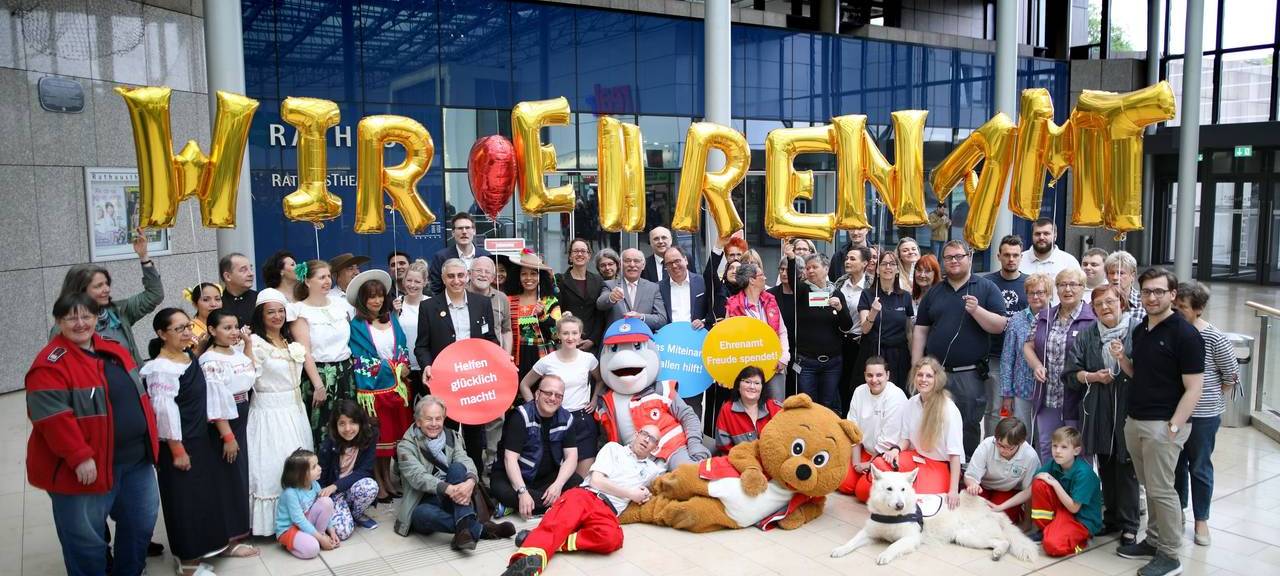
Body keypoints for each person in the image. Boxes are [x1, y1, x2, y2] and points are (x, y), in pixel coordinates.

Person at [27, 292, 160, 576]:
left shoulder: (114, 349)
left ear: (97, 317)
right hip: (85, 469)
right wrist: (78, 456)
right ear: (58, 321)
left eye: (86, 316)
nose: (79, 323)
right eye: (70, 317)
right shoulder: (50, 364)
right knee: (85, 542)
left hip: (136, 461)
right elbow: (51, 418)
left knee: (140, 526)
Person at [1113, 268, 1204, 576]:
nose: (1151, 297)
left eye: (1158, 292)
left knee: (1162, 489)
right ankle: (1152, 540)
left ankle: (1170, 554)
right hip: (1137, 420)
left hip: (1163, 425)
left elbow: (1194, 388)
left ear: (1172, 295)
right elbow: (1140, 374)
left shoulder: (1185, 334)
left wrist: (1175, 427)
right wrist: (1122, 360)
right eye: (1147, 292)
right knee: (1149, 486)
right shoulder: (1142, 330)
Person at [141, 308, 239, 574]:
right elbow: (164, 412)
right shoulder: (161, 369)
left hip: (199, 439)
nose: (186, 332)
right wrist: (177, 450)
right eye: (179, 329)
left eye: (188, 326)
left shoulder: (187, 357)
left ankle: (202, 551)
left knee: (203, 497)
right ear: (161, 334)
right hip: (179, 445)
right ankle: (188, 563)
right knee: (184, 502)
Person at [503, 425, 666, 576]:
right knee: (560, 523)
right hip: (587, 495)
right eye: (644, 434)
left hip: (608, 511)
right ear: (636, 434)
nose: (646, 440)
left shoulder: (652, 470)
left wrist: (646, 495)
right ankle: (523, 563)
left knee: (612, 539)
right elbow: (597, 481)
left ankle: (550, 540)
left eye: (652, 439)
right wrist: (631, 494)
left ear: (655, 447)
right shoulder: (614, 448)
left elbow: (667, 486)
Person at [912, 240, 1007, 459]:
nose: (953, 261)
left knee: (968, 425)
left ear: (969, 257)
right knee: (933, 421)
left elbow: (1000, 325)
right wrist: (916, 364)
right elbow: (921, 330)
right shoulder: (934, 292)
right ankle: (936, 467)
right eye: (948, 257)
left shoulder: (985, 287)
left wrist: (977, 311)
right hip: (937, 373)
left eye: (958, 256)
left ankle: (965, 471)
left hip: (970, 374)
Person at [1064, 284, 1140, 546]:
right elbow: (1070, 374)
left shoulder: (1138, 330)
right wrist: (1093, 376)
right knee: (1105, 463)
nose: (1105, 308)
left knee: (1126, 464)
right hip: (1097, 406)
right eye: (1099, 304)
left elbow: (1148, 372)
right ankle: (1113, 517)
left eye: (1111, 301)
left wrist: (1122, 360)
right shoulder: (1087, 335)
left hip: (1129, 407)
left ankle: (1130, 523)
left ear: (1122, 302)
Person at [395, 396, 517, 550]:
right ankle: (480, 529)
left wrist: (470, 482)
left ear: (444, 419)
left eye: (438, 419)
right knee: (421, 514)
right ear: (418, 421)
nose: (434, 424)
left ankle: (464, 530)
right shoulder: (406, 446)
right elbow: (418, 477)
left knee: (458, 467)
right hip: (426, 498)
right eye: (429, 419)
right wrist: (448, 489)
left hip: (455, 496)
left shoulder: (452, 436)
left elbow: (465, 460)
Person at [414, 258, 500, 467]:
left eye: (460, 275)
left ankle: (476, 480)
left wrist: (501, 359)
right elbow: (421, 346)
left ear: (467, 276)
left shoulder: (482, 303)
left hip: (474, 380)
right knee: (445, 430)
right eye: (451, 276)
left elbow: (490, 340)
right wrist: (427, 364)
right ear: (443, 278)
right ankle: (445, 477)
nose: (456, 280)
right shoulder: (428, 307)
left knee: (474, 432)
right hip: (445, 381)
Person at [1172, 280, 1238, 547]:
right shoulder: (1173, 332)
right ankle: (1177, 515)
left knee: (1199, 466)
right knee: (1176, 467)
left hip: (1203, 416)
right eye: (1175, 307)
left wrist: (1209, 397)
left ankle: (1202, 519)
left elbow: (1230, 373)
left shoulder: (1213, 336)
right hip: (1175, 412)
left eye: (1183, 308)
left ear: (1198, 309)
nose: (1178, 311)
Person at [247, 288, 316, 537]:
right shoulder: (254, 343)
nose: (276, 316)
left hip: (294, 410)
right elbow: (247, 378)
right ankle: (274, 524)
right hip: (269, 412)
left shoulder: (288, 341)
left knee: (299, 460)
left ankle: (301, 515)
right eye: (270, 312)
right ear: (260, 315)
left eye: (280, 311)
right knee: (273, 464)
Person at [347, 270, 414, 501]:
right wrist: (394, 368)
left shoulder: (391, 318)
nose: (376, 300)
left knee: (394, 436)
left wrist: (403, 365)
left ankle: (388, 478)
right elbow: (362, 359)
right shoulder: (357, 326)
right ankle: (378, 480)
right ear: (362, 300)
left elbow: (402, 346)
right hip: (374, 391)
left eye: (379, 296)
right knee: (378, 437)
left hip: (397, 389)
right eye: (370, 297)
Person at [197, 309, 258, 558]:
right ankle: (228, 540)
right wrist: (227, 436)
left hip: (243, 411)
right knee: (228, 478)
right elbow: (214, 401)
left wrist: (249, 343)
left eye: (236, 326)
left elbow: (250, 371)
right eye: (227, 328)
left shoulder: (234, 352)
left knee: (240, 474)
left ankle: (239, 530)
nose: (234, 332)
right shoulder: (210, 360)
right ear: (212, 330)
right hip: (225, 420)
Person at [56, 230, 163, 366]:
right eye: (99, 286)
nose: (107, 289)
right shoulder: (66, 326)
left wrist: (144, 258)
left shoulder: (117, 311)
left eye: (107, 283)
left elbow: (154, 295)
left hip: (132, 383)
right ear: (80, 290)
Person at [991, 426, 1102, 558]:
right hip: (1063, 512)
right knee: (1039, 482)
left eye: (1064, 447)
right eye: (1054, 446)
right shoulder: (1053, 464)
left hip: (1082, 520)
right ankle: (1045, 529)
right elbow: (1030, 491)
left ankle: (1081, 541)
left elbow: (1074, 508)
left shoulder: (1084, 473)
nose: (1058, 451)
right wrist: (1000, 507)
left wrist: (1054, 483)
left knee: (1052, 547)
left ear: (1076, 451)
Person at [1023, 267, 1095, 461]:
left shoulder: (1092, 320)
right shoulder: (1044, 316)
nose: (1067, 289)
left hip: (1077, 397)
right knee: (1047, 447)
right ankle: (1049, 488)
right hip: (1047, 396)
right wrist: (1037, 365)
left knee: (1078, 448)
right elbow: (1028, 346)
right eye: (1062, 284)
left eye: (1073, 284)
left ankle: (1077, 491)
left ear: (1083, 288)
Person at [875, 357, 965, 505]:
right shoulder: (912, 402)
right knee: (880, 464)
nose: (923, 379)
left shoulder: (948, 409)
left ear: (937, 379)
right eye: (920, 375)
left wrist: (953, 490)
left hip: (939, 465)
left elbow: (955, 454)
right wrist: (895, 450)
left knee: (921, 502)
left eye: (929, 376)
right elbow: (906, 439)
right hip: (915, 457)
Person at [493, 376, 584, 518]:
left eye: (558, 395)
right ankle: (550, 504)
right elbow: (509, 459)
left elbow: (572, 457)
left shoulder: (566, 418)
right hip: (512, 478)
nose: (553, 398)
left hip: (545, 479)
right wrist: (522, 492)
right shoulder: (520, 416)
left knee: (580, 487)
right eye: (548, 393)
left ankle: (522, 506)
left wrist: (558, 485)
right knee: (505, 492)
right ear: (537, 394)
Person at [520, 316, 600, 477]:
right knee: (558, 477)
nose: (570, 338)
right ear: (558, 335)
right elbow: (524, 385)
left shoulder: (589, 359)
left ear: (580, 335)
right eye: (565, 333)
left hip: (582, 420)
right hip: (556, 421)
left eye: (574, 333)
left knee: (583, 480)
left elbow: (600, 381)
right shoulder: (547, 361)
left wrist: (594, 399)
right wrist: (537, 409)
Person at [785, 247, 855, 414]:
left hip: (832, 363)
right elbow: (793, 280)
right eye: (807, 268)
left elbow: (847, 326)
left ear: (826, 268)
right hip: (806, 362)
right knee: (807, 404)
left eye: (814, 267)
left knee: (827, 404)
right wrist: (791, 258)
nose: (810, 271)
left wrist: (840, 308)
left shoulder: (837, 293)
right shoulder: (803, 290)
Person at [293, 259, 355, 448]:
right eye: (321, 277)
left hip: (345, 370)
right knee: (323, 428)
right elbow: (305, 352)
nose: (327, 281)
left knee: (349, 424)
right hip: (319, 374)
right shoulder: (299, 310)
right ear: (307, 281)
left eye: (328, 276)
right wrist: (319, 385)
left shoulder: (339, 304)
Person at [839, 356, 908, 502]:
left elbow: (888, 439)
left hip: (886, 456)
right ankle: (862, 474)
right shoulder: (859, 392)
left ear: (887, 375)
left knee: (862, 492)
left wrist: (870, 464)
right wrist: (856, 463)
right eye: (869, 375)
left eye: (879, 375)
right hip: (865, 451)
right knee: (844, 484)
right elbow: (853, 429)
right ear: (864, 375)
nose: (874, 380)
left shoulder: (895, 396)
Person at [725, 261, 790, 402]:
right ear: (752, 280)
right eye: (762, 275)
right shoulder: (733, 306)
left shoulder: (770, 301)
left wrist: (784, 357)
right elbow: (728, 340)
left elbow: (782, 332)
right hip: (746, 369)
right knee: (748, 410)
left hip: (774, 365)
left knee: (776, 408)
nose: (765, 278)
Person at [317, 400, 381, 538]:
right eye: (342, 423)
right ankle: (343, 512)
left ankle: (355, 514)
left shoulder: (369, 436)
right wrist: (325, 502)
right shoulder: (328, 444)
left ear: (360, 422)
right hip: (334, 494)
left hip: (352, 487)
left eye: (352, 422)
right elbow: (320, 480)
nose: (348, 428)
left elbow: (365, 470)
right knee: (343, 532)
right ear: (335, 426)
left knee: (370, 486)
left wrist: (335, 485)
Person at [985, 235, 1027, 437]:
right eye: (1007, 255)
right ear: (999, 256)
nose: (1011, 259)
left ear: (1021, 257)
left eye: (1015, 255)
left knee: (1018, 410)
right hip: (993, 354)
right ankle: (991, 448)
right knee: (993, 408)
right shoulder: (986, 283)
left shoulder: (1029, 285)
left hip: (1021, 358)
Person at [963, 417, 1039, 524]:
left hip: (1008, 491)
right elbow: (970, 476)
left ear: (1021, 443)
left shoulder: (1030, 456)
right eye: (999, 445)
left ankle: (1017, 512)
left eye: (1008, 447)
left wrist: (1027, 523)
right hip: (983, 487)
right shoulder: (987, 445)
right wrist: (972, 485)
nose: (1002, 450)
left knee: (1000, 519)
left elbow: (1029, 491)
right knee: (970, 514)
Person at [1001, 273, 1053, 431]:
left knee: (1046, 437)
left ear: (1049, 294)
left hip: (1050, 391)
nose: (1036, 296)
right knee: (1021, 433)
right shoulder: (1017, 320)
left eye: (1040, 292)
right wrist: (1007, 393)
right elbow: (1007, 358)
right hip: (1022, 390)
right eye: (1031, 293)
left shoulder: (1058, 317)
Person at [858, 250, 914, 395]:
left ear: (897, 269)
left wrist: (914, 358)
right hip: (874, 352)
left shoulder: (905, 296)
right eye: (883, 264)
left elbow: (909, 331)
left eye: (892, 264)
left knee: (898, 395)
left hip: (899, 355)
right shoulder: (867, 294)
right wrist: (873, 312)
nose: (888, 267)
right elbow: (864, 329)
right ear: (877, 269)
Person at [504, 249, 563, 381]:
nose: (528, 278)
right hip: (516, 356)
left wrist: (542, 315)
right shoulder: (508, 300)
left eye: (533, 273)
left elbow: (557, 335)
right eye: (524, 274)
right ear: (518, 277)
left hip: (543, 355)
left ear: (540, 277)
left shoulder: (549, 301)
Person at [275, 449, 339, 559]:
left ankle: (319, 535)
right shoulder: (291, 493)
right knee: (313, 549)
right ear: (300, 474)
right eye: (314, 467)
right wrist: (319, 539)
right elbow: (298, 520)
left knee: (327, 501)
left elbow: (325, 510)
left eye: (317, 464)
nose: (319, 468)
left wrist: (332, 531)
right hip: (289, 530)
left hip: (307, 523)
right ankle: (289, 544)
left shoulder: (315, 485)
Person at [714, 366, 783, 455]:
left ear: (762, 388)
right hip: (740, 463)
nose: (752, 387)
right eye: (747, 382)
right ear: (738, 386)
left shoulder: (775, 408)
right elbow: (724, 447)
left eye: (757, 383)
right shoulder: (727, 410)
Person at [833, 246, 870, 409]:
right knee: (838, 386)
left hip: (859, 342)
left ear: (865, 263)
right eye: (847, 258)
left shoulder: (871, 286)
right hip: (838, 341)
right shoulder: (839, 284)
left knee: (855, 386)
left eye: (853, 259)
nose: (847, 261)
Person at [596, 248, 667, 330]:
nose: (632, 265)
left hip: (643, 340)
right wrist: (611, 297)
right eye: (627, 261)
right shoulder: (609, 285)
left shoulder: (653, 288)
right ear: (620, 264)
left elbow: (662, 319)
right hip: (616, 339)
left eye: (636, 261)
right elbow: (600, 304)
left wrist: (641, 317)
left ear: (643, 265)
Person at [557, 239, 606, 351]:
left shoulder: (597, 280)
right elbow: (556, 313)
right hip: (567, 342)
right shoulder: (560, 280)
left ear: (589, 256)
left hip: (591, 344)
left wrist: (593, 339)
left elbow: (599, 315)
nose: (579, 254)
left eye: (583, 251)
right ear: (570, 256)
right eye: (576, 251)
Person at [429, 213, 492, 295]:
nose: (464, 232)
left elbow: (491, 284)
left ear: (474, 231)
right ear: (453, 233)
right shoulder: (441, 257)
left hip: (482, 305)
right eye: (460, 228)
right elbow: (435, 288)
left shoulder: (486, 256)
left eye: (467, 228)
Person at [1018, 219, 1080, 299]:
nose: (1041, 237)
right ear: (1032, 236)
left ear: (1055, 236)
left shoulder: (1069, 262)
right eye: (1037, 234)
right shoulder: (1019, 260)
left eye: (1046, 234)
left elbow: (1077, 292)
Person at [399, 259, 430, 398]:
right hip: (403, 369)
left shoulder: (432, 304)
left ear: (425, 282)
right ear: (404, 280)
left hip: (426, 368)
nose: (412, 285)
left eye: (417, 282)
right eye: (409, 280)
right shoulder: (396, 304)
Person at [470, 255, 513, 354]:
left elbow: (506, 330)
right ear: (469, 273)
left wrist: (506, 356)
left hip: (494, 355)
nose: (483, 275)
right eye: (478, 271)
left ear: (493, 277)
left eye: (487, 272)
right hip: (467, 357)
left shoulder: (502, 298)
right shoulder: (461, 295)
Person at [705, 233, 748, 323]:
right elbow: (709, 273)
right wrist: (718, 246)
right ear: (726, 257)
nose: (735, 258)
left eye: (739, 255)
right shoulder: (720, 288)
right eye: (731, 255)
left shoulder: (750, 287)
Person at [220, 252, 258, 327]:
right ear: (227, 276)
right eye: (243, 270)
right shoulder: (218, 303)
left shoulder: (260, 299)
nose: (251, 274)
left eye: (251, 268)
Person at [1105, 250, 1142, 322]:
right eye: (1111, 273)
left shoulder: (1143, 302)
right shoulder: (1099, 301)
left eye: (1121, 273)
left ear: (1132, 275)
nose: (1115, 277)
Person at [186, 282, 223, 350]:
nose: (213, 304)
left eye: (217, 299)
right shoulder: (188, 329)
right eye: (206, 300)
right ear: (195, 304)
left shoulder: (227, 325)